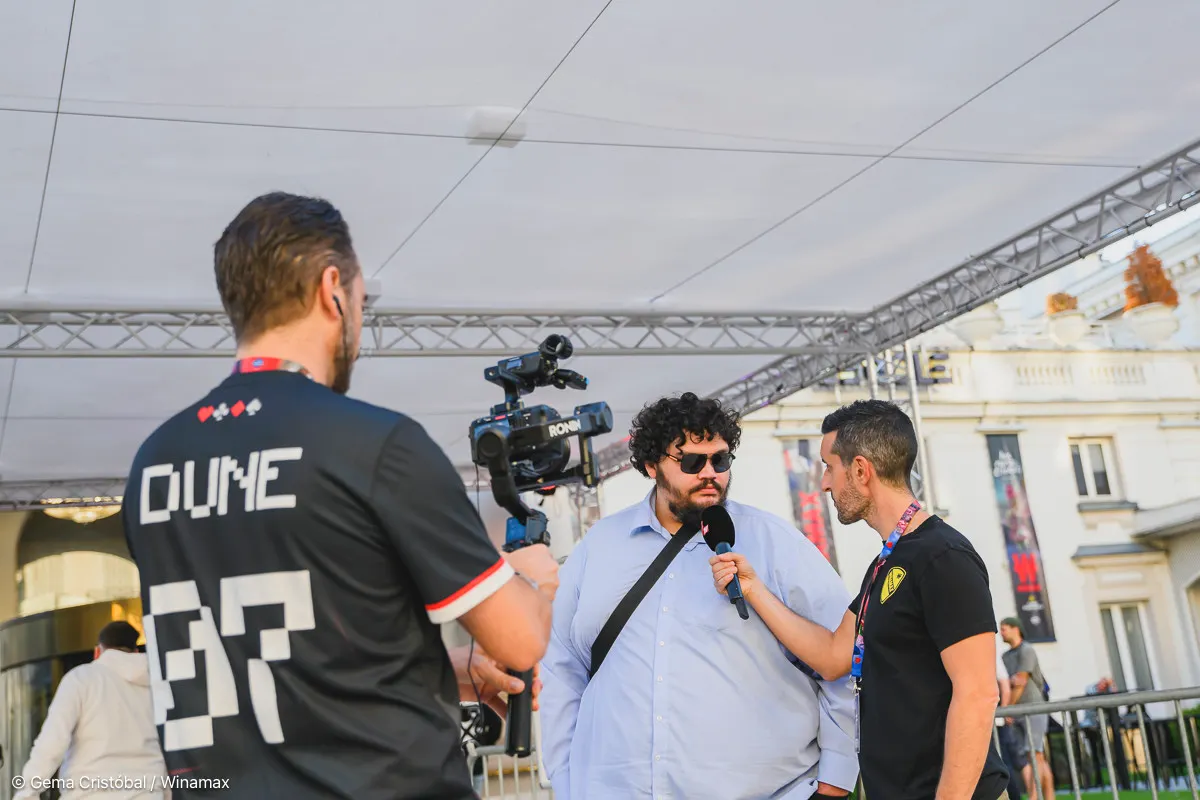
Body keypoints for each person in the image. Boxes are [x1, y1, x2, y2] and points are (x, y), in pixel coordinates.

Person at [122, 192, 558, 798]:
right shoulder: (376, 446)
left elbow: (282, 656)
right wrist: (537, 578)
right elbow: (520, 639)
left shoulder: (153, 463)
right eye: (361, 299)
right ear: (333, 289)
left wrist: (446, 672)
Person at [541, 392, 859, 800]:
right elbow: (561, 673)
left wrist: (835, 782)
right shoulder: (598, 546)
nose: (710, 474)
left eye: (720, 460)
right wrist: (567, 784)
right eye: (692, 462)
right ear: (652, 465)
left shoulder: (775, 542)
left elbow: (846, 658)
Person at [711, 399, 1009, 799]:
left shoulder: (943, 556)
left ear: (861, 470)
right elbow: (834, 655)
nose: (824, 484)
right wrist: (754, 589)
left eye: (829, 467)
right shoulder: (890, 559)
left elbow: (978, 693)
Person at [16, 621, 168, 799]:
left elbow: (52, 742)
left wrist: (27, 793)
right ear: (135, 652)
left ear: (98, 652)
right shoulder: (157, 687)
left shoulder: (80, 679)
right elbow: (167, 749)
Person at [1000, 618, 1054, 800]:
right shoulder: (1005, 656)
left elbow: (1020, 682)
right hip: (1017, 711)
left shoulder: (1027, 650)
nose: (1001, 633)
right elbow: (1009, 682)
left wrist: (1008, 708)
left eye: (1004, 629)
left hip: (1033, 708)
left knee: (1035, 754)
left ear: (1016, 629)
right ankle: (1050, 797)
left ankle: (1033, 797)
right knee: (1036, 757)